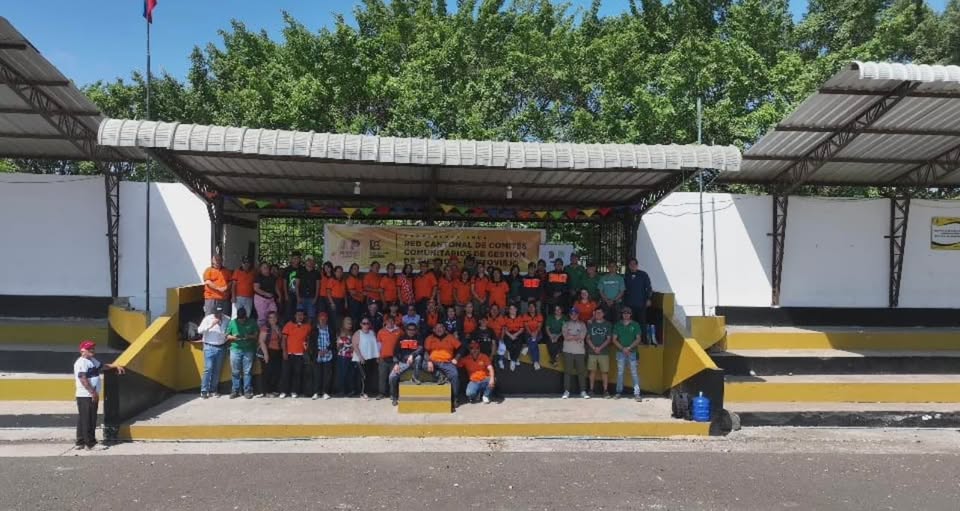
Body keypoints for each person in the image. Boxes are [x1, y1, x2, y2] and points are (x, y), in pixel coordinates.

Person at [73, 340, 124, 450]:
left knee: (83, 418)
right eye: (89, 349)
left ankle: (80, 442)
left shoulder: (91, 360)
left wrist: (115, 366)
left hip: (88, 394)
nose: (92, 350)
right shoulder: (81, 362)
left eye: (93, 348)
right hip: (86, 395)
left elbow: (102, 366)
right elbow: (82, 378)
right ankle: (90, 444)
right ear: (82, 351)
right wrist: (93, 392)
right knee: (89, 419)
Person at [423, 323, 462, 406]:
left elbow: (461, 348)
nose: (439, 329)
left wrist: (456, 358)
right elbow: (426, 351)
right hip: (433, 362)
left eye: (441, 327)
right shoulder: (429, 338)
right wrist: (429, 361)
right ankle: (440, 376)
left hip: (447, 362)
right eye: (436, 328)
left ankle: (455, 398)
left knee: (455, 375)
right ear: (433, 330)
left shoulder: (450, 337)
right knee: (423, 364)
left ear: (444, 329)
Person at [197, 304, 229, 398]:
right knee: (208, 368)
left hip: (221, 346)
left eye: (220, 313)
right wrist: (211, 325)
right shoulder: (208, 319)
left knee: (217, 370)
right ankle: (204, 390)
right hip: (209, 346)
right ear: (213, 312)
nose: (218, 315)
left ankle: (213, 390)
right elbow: (199, 330)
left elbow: (229, 330)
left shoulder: (227, 319)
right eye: (216, 313)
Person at [227, 307, 259, 399]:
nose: (241, 321)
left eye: (243, 319)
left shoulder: (252, 322)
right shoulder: (232, 322)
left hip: (248, 349)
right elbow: (227, 336)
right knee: (235, 371)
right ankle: (235, 391)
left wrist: (249, 336)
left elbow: (256, 335)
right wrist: (233, 337)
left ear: (246, 316)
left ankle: (247, 391)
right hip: (235, 349)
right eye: (240, 319)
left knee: (247, 371)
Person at [388, 323, 424, 405]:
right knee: (392, 377)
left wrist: (412, 355)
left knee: (418, 357)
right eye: (409, 329)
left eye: (413, 329)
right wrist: (396, 364)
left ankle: (415, 377)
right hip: (403, 363)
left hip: (414, 362)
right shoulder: (401, 338)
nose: (411, 331)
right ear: (406, 330)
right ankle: (394, 396)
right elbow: (395, 352)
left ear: (416, 330)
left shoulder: (419, 338)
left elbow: (420, 349)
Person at [612, 307, 643, 401]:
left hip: (632, 352)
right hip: (620, 352)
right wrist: (623, 348)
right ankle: (618, 392)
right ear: (622, 314)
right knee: (620, 373)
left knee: (634, 373)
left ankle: (637, 394)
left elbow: (638, 338)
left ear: (630, 314)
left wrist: (629, 348)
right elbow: (614, 339)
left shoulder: (635, 325)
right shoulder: (618, 325)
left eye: (628, 313)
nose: (626, 315)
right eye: (624, 313)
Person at [280, 308, 311, 398]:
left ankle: (294, 391)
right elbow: (283, 339)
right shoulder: (289, 325)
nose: (300, 316)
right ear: (295, 316)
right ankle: (284, 391)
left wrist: (307, 347)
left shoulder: (307, 326)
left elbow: (309, 339)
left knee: (297, 374)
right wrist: (284, 351)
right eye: (298, 315)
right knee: (286, 373)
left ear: (304, 316)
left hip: (300, 354)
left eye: (301, 315)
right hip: (289, 353)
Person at [624, 258, 654, 344]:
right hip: (629, 304)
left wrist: (649, 299)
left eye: (634, 264)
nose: (632, 266)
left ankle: (643, 341)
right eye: (631, 264)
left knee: (642, 323)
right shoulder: (626, 276)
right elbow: (623, 290)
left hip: (641, 304)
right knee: (630, 323)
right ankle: (631, 340)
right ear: (629, 266)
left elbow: (649, 288)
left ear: (637, 265)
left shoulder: (643, 275)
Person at [561, 307, 589, 399]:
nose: (574, 315)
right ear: (570, 315)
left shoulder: (582, 324)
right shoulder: (565, 324)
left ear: (578, 315)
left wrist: (571, 336)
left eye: (575, 314)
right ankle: (566, 391)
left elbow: (582, 337)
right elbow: (566, 337)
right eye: (572, 314)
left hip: (580, 351)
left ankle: (583, 391)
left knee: (581, 372)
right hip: (568, 350)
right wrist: (576, 336)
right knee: (567, 372)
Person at [586, 307, 613, 398]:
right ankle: (591, 390)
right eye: (596, 313)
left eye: (600, 312)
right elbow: (588, 338)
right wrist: (594, 348)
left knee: (604, 372)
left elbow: (608, 339)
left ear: (603, 314)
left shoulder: (608, 324)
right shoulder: (591, 324)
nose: (598, 314)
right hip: (592, 351)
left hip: (604, 352)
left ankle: (605, 390)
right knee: (592, 371)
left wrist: (599, 348)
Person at [352, 316, 380, 399]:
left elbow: (375, 345)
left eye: (367, 323)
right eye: (364, 323)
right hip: (361, 358)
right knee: (363, 376)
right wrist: (360, 357)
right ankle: (362, 393)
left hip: (371, 357)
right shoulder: (358, 333)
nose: (366, 325)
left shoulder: (372, 332)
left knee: (369, 375)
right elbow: (355, 346)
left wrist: (377, 356)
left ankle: (367, 391)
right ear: (361, 324)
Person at [257, 311, 283, 397]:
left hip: (277, 351)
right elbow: (261, 341)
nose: (273, 319)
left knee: (276, 372)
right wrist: (266, 354)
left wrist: (277, 330)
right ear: (268, 319)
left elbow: (281, 339)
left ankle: (274, 389)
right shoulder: (265, 328)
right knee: (267, 372)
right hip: (268, 351)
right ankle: (266, 391)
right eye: (271, 317)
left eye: (274, 317)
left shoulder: (279, 327)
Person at [376, 314, 402, 400]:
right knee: (382, 377)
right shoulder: (381, 332)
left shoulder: (399, 331)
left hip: (394, 359)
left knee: (393, 377)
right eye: (388, 321)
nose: (390, 323)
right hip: (383, 358)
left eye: (392, 321)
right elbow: (378, 346)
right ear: (385, 322)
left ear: (394, 322)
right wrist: (378, 356)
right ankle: (381, 393)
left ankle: (393, 394)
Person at [310, 311, 335, 400]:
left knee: (327, 375)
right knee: (317, 374)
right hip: (318, 355)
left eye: (324, 319)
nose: (323, 320)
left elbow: (333, 341)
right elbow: (311, 343)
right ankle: (316, 392)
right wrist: (317, 351)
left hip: (328, 354)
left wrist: (327, 349)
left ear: (327, 319)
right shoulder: (314, 330)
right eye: (321, 319)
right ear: (318, 319)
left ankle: (325, 392)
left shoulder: (330, 329)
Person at [253, 262, 280, 327]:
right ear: (261, 269)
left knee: (274, 313)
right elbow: (256, 288)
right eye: (264, 268)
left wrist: (280, 295)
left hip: (271, 299)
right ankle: (260, 330)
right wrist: (266, 294)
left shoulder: (272, 276)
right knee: (262, 317)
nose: (266, 269)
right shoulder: (258, 277)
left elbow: (276, 287)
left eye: (267, 267)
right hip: (260, 299)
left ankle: (272, 329)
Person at [336, 317, 357, 396]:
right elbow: (338, 346)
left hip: (351, 356)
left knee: (351, 374)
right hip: (343, 356)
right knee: (342, 374)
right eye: (348, 323)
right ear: (343, 323)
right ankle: (342, 390)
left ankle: (351, 390)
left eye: (350, 323)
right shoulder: (340, 332)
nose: (350, 325)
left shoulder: (353, 333)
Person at [231, 256, 256, 321]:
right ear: (242, 263)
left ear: (250, 264)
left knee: (247, 314)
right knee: (235, 315)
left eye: (248, 263)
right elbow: (233, 285)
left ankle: (245, 327)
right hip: (238, 297)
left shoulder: (253, 272)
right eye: (244, 263)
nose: (246, 264)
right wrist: (233, 296)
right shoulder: (237, 271)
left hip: (249, 297)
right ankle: (234, 327)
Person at [297, 255, 321, 323]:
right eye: (308, 260)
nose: (309, 262)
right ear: (305, 262)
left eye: (311, 260)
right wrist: (298, 297)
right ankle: (299, 328)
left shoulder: (316, 273)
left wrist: (315, 298)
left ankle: (308, 328)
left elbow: (318, 286)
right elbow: (297, 285)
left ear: (313, 262)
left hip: (312, 298)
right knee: (299, 315)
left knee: (311, 316)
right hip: (301, 297)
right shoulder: (300, 271)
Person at [502, 304, 526, 372]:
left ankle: (513, 361)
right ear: (509, 310)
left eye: (513, 308)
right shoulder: (506, 317)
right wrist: (510, 336)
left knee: (518, 345)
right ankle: (515, 358)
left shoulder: (520, 317)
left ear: (516, 309)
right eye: (510, 309)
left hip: (517, 333)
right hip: (508, 333)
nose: (512, 310)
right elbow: (504, 329)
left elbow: (522, 329)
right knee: (509, 344)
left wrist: (515, 335)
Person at [325, 265, 347, 332]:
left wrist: (346, 302)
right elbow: (328, 292)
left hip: (341, 301)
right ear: (334, 272)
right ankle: (333, 334)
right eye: (338, 271)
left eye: (341, 272)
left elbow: (344, 293)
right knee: (333, 319)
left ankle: (338, 333)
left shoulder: (343, 281)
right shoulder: (331, 280)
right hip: (334, 300)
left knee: (340, 319)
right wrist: (332, 303)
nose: (339, 273)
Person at [523, 302, 544, 370]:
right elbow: (526, 327)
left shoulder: (539, 316)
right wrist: (531, 334)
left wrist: (535, 333)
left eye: (533, 307)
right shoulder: (525, 316)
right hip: (528, 333)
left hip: (537, 333)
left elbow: (539, 327)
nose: (531, 308)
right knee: (534, 343)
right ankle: (536, 362)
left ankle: (528, 348)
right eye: (530, 307)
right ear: (528, 308)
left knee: (533, 341)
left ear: (535, 308)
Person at [282, 251, 302, 320]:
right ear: (291, 259)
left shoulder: (302, 269)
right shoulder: (287, 270)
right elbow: (284, 283)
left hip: (299, 293)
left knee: (298, 310)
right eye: (294, 258)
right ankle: (288, 324)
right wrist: (286, 294)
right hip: (290, 293)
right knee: (289, 310)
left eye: (297, 258)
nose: (296, 260)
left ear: (300, 259)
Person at [486, 303, 507, 369]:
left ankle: (499, 360)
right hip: (488, 336)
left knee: (502, 346)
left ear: (498, 310)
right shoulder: (487, 317)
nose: (494, 311)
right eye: (493, 309)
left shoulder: (501, 318)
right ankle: (489, 361)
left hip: (498, 336)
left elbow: (503, 328)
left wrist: (502, 338)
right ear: (490, 310)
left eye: (496, 309)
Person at [345, 263, 365, 327]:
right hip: (353, 302)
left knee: (359, 320)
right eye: (354, 269)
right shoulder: (350, 279)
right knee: (354, 320)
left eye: (357, 269)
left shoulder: (358, 279)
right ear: (351, 270)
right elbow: (352, 292)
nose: (356, 270)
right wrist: (362, 294)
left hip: (360, 302)